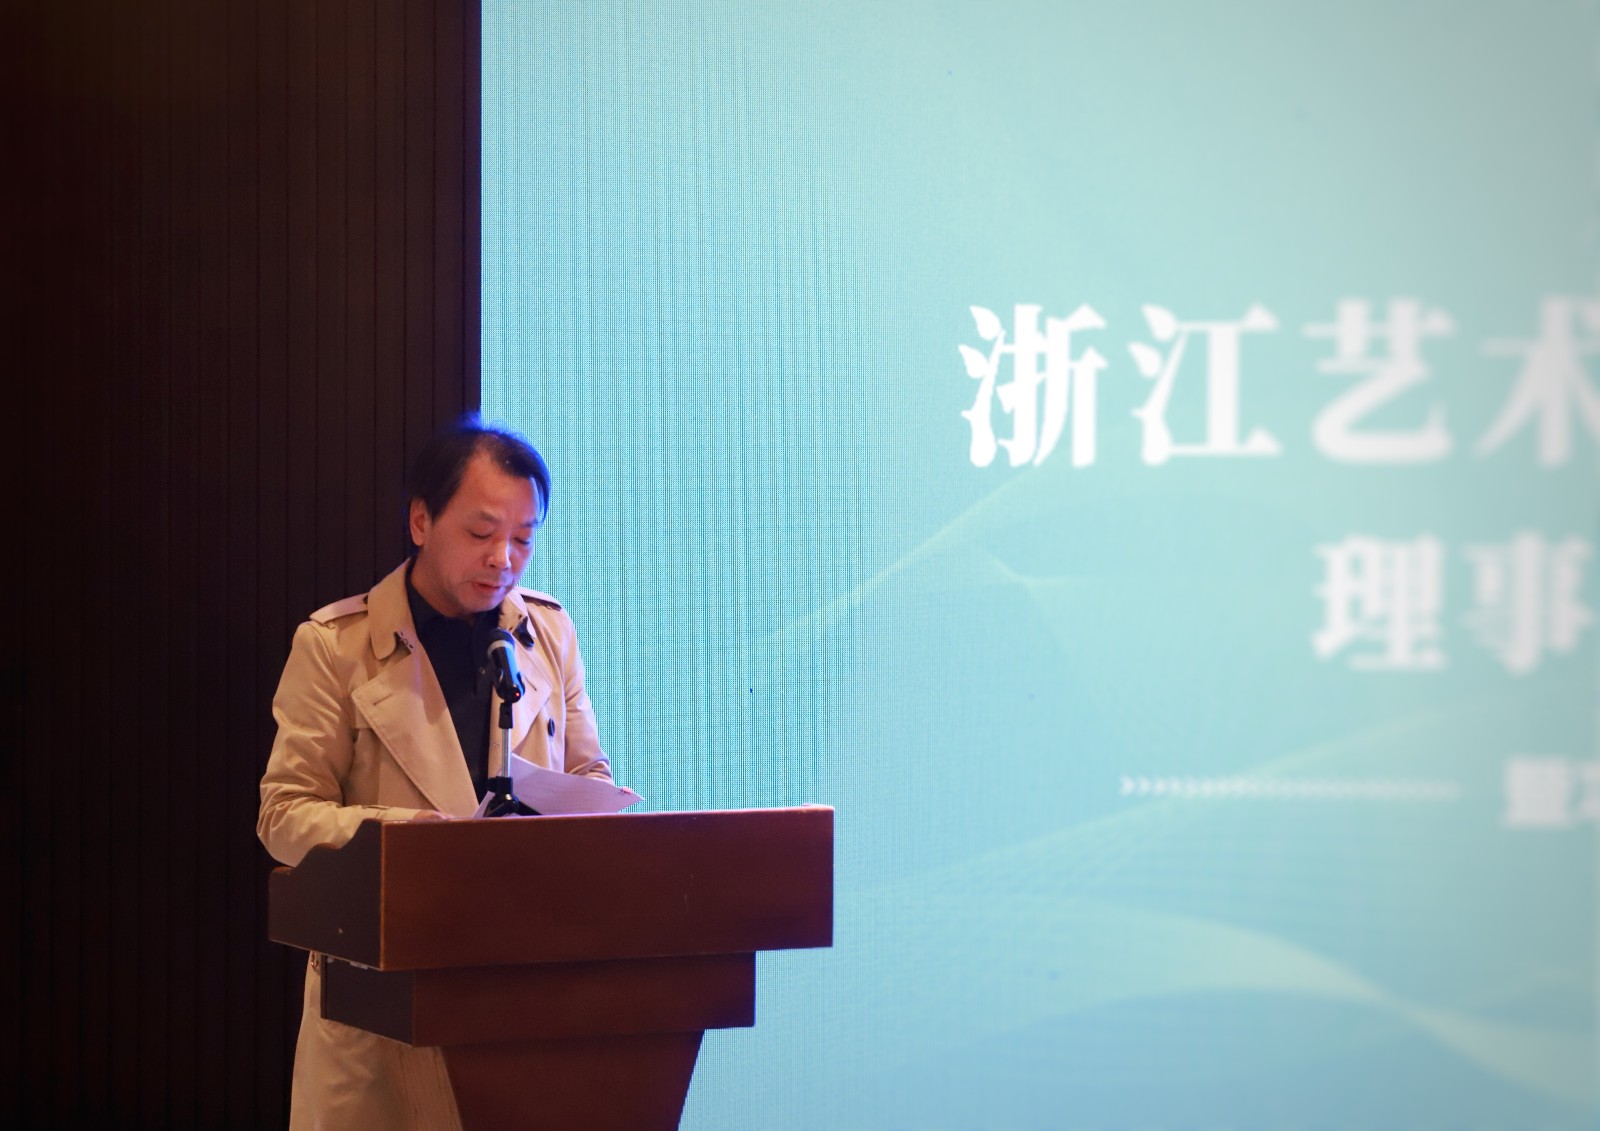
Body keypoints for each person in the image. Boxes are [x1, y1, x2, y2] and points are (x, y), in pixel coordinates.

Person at [258, 416, 612, 1130]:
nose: (503, 559)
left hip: (519, 990)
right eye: (481, 533)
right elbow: (284, 815)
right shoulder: (335, 645)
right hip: (381, 1002)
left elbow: (588, 774)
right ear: (421, 520)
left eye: (524, 538)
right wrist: (407, 836)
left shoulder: (547, 633)